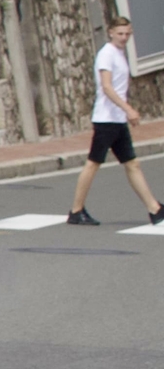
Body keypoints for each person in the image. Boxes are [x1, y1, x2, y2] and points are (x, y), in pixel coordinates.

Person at [67, 15, 162, 226]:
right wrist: (128, 109)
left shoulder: (119, 54)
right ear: (110, 32)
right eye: (120, 33)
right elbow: (107, 87)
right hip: (106, 119)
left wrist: (124, 113)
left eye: (127, 34)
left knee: (132, 163)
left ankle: (154, 208)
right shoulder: (106, 54)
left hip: (116, 120)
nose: (124, 37)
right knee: (93, 163)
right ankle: (76, 210)